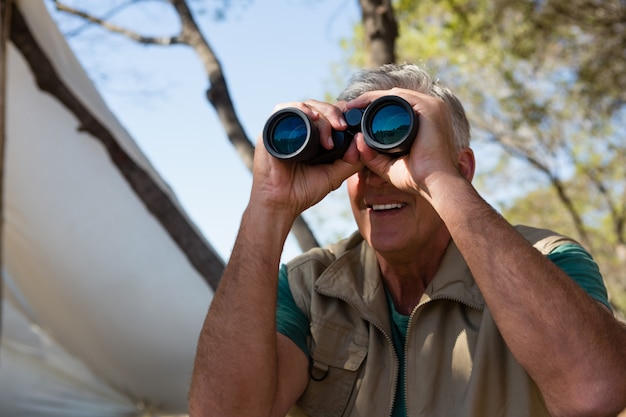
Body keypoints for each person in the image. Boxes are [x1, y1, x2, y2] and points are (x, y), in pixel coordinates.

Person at [189, 63, 626, 417]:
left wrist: (439, 179)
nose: (378, 181)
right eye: (359, 165)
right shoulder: (307, 289)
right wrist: (268, 207)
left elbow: (593, 393)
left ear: (463, 168)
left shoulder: (548, 262)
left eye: (398, 153)